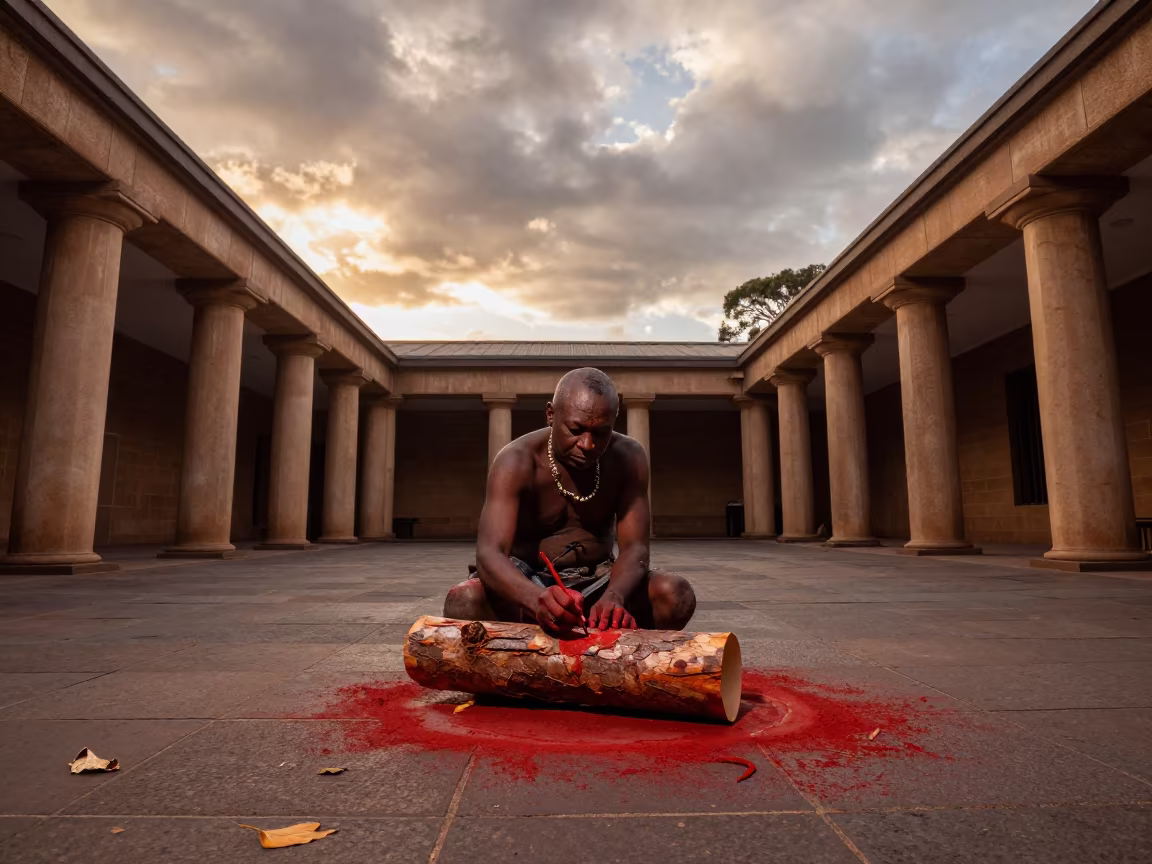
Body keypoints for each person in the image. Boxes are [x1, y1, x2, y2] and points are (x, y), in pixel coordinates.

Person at [443, 367, 696, 634]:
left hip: (599, 580)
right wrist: (535, 599)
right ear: (551, 414)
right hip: (528, 582)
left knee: (675, 595)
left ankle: (608, 647)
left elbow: (635, 547)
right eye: (576, 429)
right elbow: (489, 554)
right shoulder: (516, 460)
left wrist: (615, 596)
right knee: (464, 602)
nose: (587, 444)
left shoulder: (628, 457)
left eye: (601, 433)